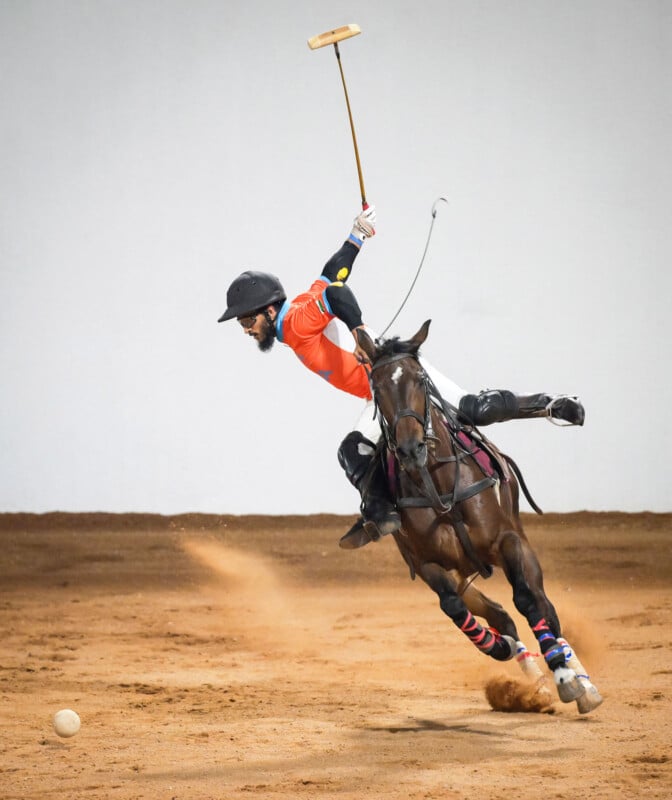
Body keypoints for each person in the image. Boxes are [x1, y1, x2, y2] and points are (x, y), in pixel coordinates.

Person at [218, 206, 584, 548]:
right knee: (363, 447)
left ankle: (550, 406)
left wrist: (359, 330)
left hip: (399, 384)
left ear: (268, 310)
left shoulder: (296, 323)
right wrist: (356, 236)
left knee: (470, 410)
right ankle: (383, 512)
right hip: (379, 397)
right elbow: (331, 274)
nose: (246, 329)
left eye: (248, 320)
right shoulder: (297, 310)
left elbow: (337, 293)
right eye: (241, 323)